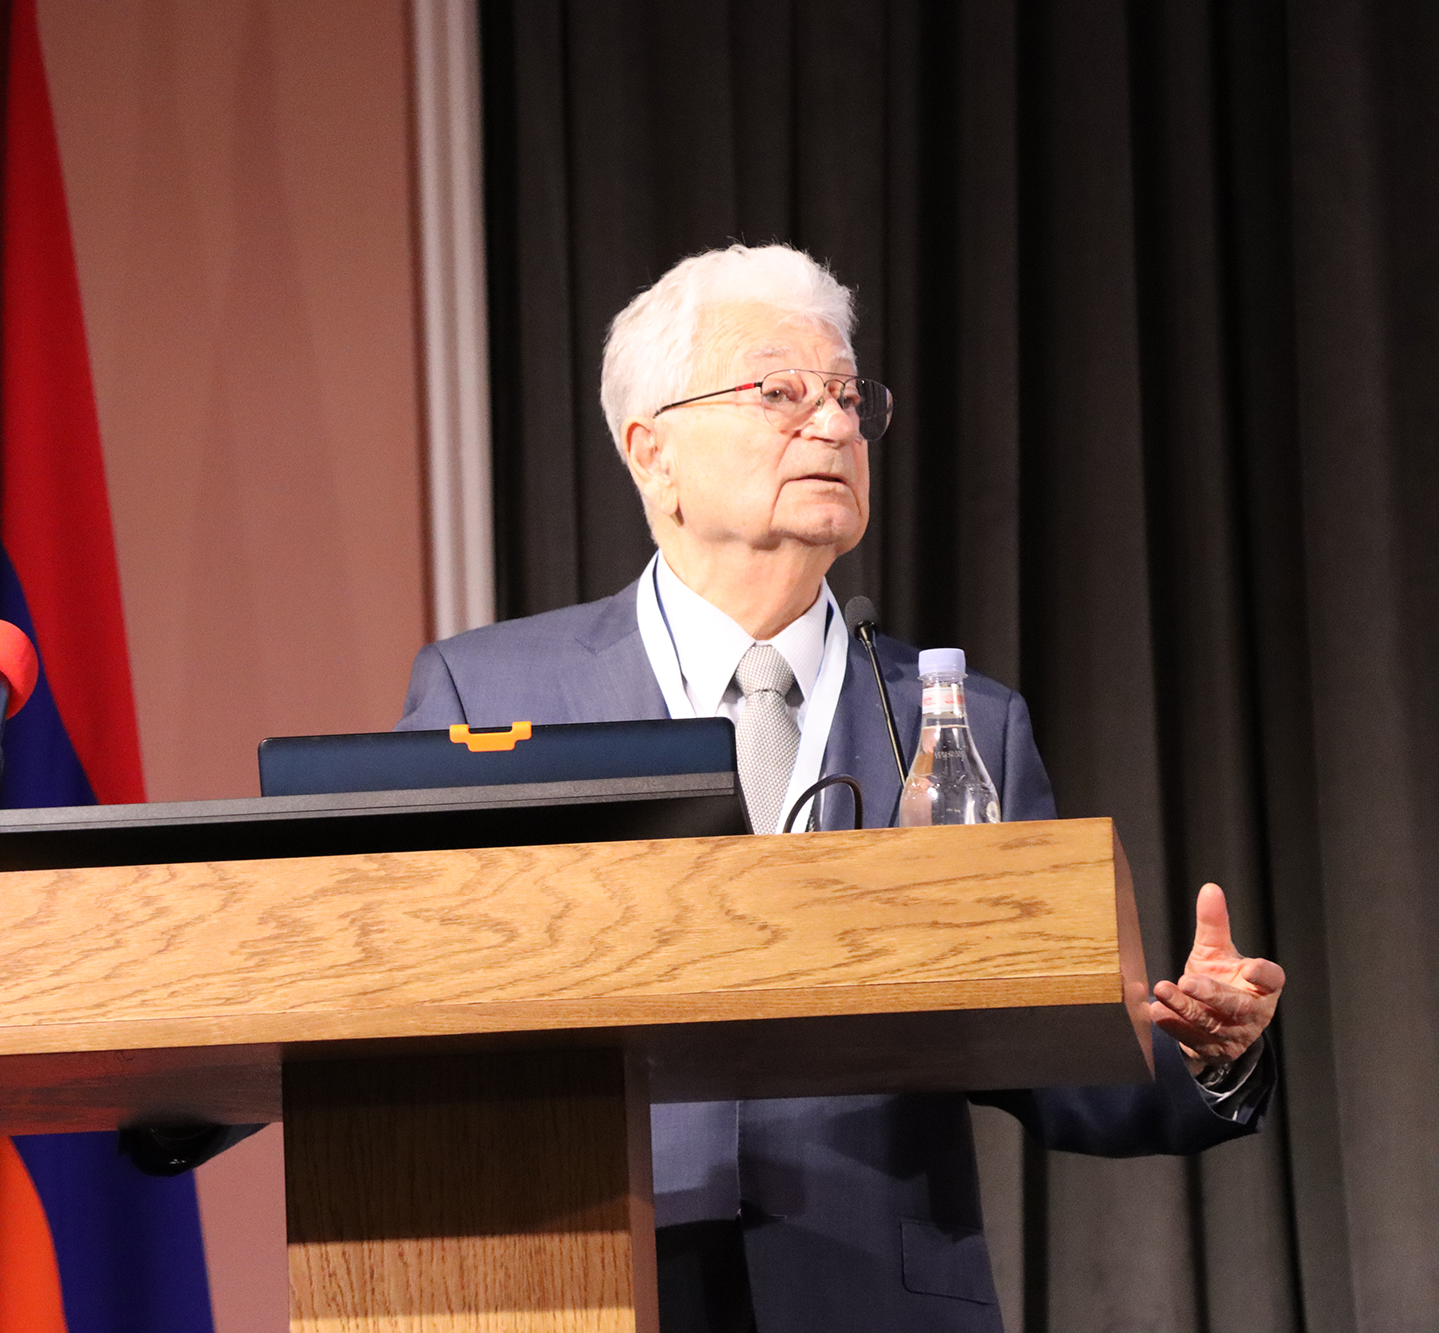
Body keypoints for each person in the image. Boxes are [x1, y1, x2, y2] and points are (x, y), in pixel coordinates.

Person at [394, 243, 1285, 1333]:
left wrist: (1204, 1053)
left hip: (874, 1299)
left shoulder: (962, 722)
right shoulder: (491, 692)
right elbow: (402, 995)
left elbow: (1058, 1063)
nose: (831, 425)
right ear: (650, 449)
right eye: (780, 392)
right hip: (586, 1285)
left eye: (849, 398)